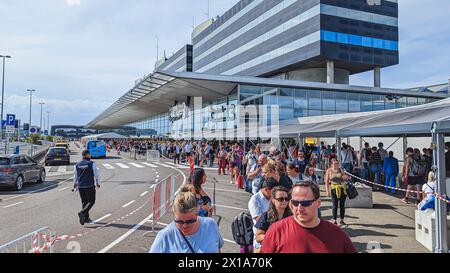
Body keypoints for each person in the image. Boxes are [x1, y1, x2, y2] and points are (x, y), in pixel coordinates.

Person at [261, 182, 357, 253]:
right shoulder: (276, 230)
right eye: (295, 203)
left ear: (318, 203)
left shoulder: (336, 233)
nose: (299, 208)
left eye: (305, 203)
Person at [149, 185, 224, 253]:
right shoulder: (164, 237)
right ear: (174, 214)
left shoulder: (210, 225)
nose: (184, 226)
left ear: (198, 211)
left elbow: (218, 250)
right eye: (179, 221)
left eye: (190, 221)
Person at [248, 177, 278, 253]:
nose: (275, 194)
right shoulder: (254, 199)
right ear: (266, 189)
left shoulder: (273, 197)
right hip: (261, 238)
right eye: (273, 192)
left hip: (273, 235)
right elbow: (258, 219)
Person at [73, 150, 101, 225]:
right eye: (89, 154)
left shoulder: (77, 164)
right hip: (89, 185)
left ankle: (86, 218)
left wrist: (74, 184)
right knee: (92, 201)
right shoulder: (91, 164)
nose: (90, 155)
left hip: (81, 186)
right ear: (87, 155)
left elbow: (75, 175)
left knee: (84, 202)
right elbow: (96, 174)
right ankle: (82, 212)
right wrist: (98, 183)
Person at [325, 159, 348, 227]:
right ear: (331, 164)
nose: (336, 165)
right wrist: (327, 191)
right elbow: (326, 182)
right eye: (335, 163)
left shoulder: (341, 170)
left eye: (337, 163)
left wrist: (345, 177)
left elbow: (346, 178)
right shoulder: (329, 171)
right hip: (334, 189)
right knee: (335, 205)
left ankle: (342, 219)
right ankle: (334, 220)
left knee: (342, 205)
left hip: (342, 189)